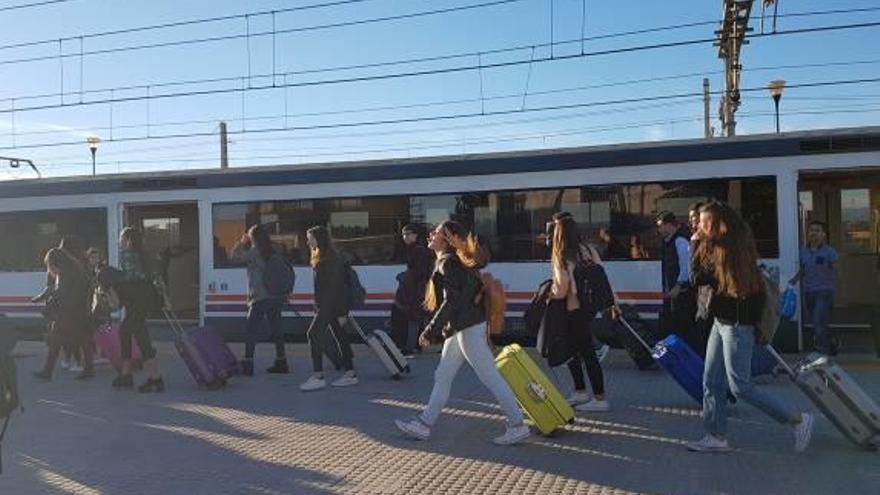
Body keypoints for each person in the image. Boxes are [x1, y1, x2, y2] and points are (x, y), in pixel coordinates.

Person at [687, 201, 813, 453]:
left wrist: (694, 243)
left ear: (717, 224)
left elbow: (698, 278)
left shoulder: (732, 251)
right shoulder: (716, 247)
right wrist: (698, 243)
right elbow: (698, 279)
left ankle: (797, 419)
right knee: (711, 380)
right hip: (720, 322)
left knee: (740, 386)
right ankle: (716, 436)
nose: (698, 225)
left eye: (703, 221)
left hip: (736, 326)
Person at [394, 220, 530, 445]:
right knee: (443, 375)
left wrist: (430, 331)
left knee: (490, 377)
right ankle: (424, 424)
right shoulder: (455, 260)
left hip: (467, 327)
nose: (429, 235)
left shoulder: (448, 262)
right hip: (462, 327)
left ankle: (517, 425)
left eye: (435, 232)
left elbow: (451, 301)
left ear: (446, 238)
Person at [549, 213, 611, 412]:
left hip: (573, 310)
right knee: (574, 351)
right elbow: (602, 276)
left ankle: (599, 398)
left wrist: (548, 293)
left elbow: (561, 290)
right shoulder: (589, 250)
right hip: (589, 308)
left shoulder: (562, 255)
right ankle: (580, 391)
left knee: (584, 353)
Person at [299, 226, 358, 391]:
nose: (307, 241)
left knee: (313, 333)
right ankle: (350, 373)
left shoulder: (330, 259)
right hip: (328, 305)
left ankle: (318, 376)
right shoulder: (323, 256)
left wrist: (341, 311)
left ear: (319, 238)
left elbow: (336, 287)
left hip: (330, 306)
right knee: (340, 336)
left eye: (310, 237)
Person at [231, 225, 289, 376]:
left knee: (251, 330)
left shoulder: (254, 252)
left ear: (253, 237)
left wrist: (241, 242)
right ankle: (281, 362)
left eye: (250, 236)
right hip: (276, 296)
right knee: (277, 330)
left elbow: (234, 257)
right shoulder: (274, 250)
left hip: (260, 297)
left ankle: (248, 364)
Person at [112, 227, 164, 393]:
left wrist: (112, 276)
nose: (119, 241)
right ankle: (126, 374)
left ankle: (155, 378)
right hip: (145, 300)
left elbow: (129, 278)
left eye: (121, 238)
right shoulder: (146, 255)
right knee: (125, 331)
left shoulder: (128, 255)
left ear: (128, 240)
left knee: (141, 338)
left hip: (135, 302)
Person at [32, 248, 93, 381]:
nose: (50, 268)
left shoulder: (64, 273)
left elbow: (61, 292)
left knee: (56, 339)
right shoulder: (76, 269)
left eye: (49, 264)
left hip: (68, 312)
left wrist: (45, 296)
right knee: (83, 340)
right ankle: (88, 369)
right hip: (79, 311)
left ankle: (47, 372)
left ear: (55, 262)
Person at [790, 220, 839, 355]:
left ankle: (822, 350)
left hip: (825, 292)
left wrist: (833, 288)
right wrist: (793, 280)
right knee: (819, 321)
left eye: (817, 230)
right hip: (809, 292)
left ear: (823, 235)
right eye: (811, 230)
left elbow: (836, 270)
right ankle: (831, 342)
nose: (814, 233)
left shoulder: (830, 252)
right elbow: (803, 269)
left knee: (818, 319)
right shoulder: (802, 251)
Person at [391, 224, 434, 356]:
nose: (405, 237)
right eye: (404, 234)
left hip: (416, 290)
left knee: (413, 318)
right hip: (417, 289)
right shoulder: (417, 249)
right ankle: (416, 346)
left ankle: (411, 347)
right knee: (416, 318)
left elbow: (418, 273)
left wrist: (403, 277)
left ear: (416, 235)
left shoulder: (418, 250)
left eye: (409, 234)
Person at [656, 211, 696, 343]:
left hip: (682, 294)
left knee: (683, 326)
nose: (659, 229)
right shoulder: (669, 241)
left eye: (661, 226)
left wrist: (678, 286)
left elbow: (686, 266)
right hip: (674, 293)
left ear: (669, 225)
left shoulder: (680, 240)